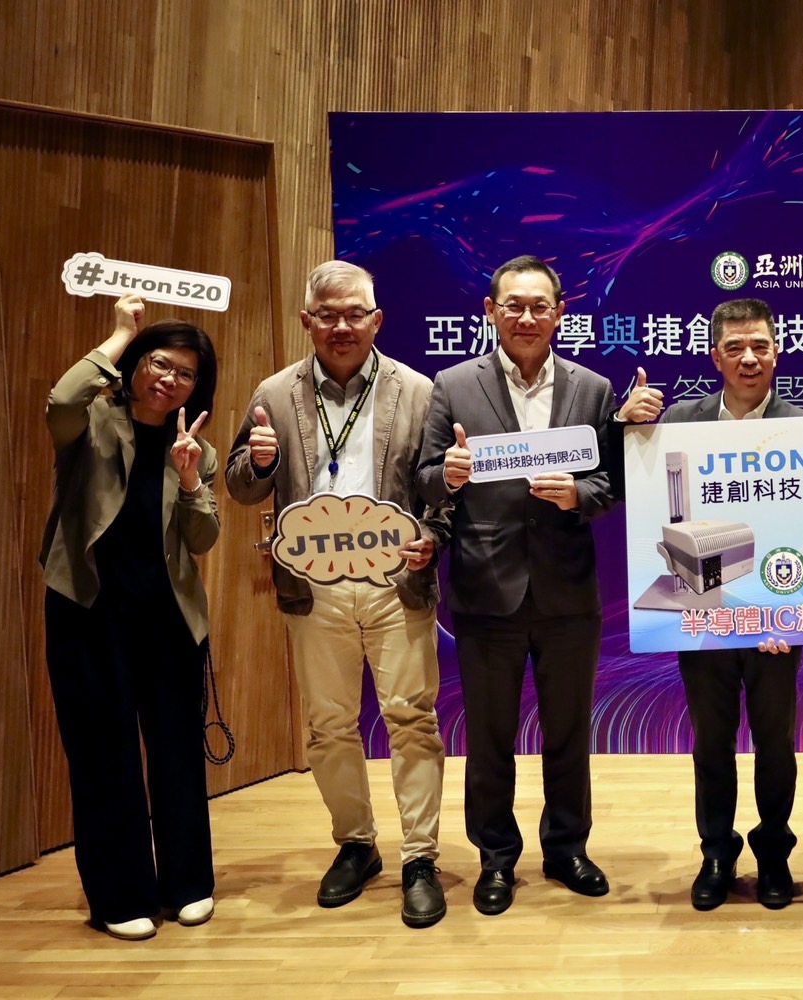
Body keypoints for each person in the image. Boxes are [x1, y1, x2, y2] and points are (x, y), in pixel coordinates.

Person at [225, 261, 449, 928]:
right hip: (314, 588)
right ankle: (356, 845)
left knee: (411, 719)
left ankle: (419, 856)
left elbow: (441, 487)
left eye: (355, 314)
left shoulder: (417, 390)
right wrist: (259, 462)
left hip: (394, 581)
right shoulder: (274, 391)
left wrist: (431, 536)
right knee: (328, 726)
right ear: (307, 321)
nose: (342, 326)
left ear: (377, 320)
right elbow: (241, 485)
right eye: (328, 314)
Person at [416, 254, 623, 914]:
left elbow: (611, 481)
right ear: (490, 311)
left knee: (567, 733)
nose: (527, 317)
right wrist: (445, 474)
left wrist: (579, 496)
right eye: (514, 305)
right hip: (485, 589)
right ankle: (496, 858)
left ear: (559, 312)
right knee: (491, 736)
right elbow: (423, 474)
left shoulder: (592, 389)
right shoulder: (451, 384)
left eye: (540, 306)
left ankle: (566, 848)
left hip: (567, 593)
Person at [40, 293, 220, 940]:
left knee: (176, 752)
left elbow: (202, 541)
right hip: (89, 613)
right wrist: (119, 333)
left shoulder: (192, 443)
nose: (169, 379)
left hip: (168, 620)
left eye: (186, 373)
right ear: (138, 364)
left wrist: (193, 480)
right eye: (160, 363)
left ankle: (188, 883)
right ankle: (120, 894)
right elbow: (59, 400)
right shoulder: (92, 420)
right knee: (101, 752)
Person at [658, 298, 803, 911]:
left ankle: (774, 851)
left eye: (762, 347)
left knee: (776, 746)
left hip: (777, 623)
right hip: (705, 616)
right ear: (715, 354)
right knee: (711, 743)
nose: (750, 358)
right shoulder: (678, 422)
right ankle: (717, 852)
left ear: (777, 351)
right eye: (736, 348)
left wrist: (786, 610)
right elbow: (658, 510)